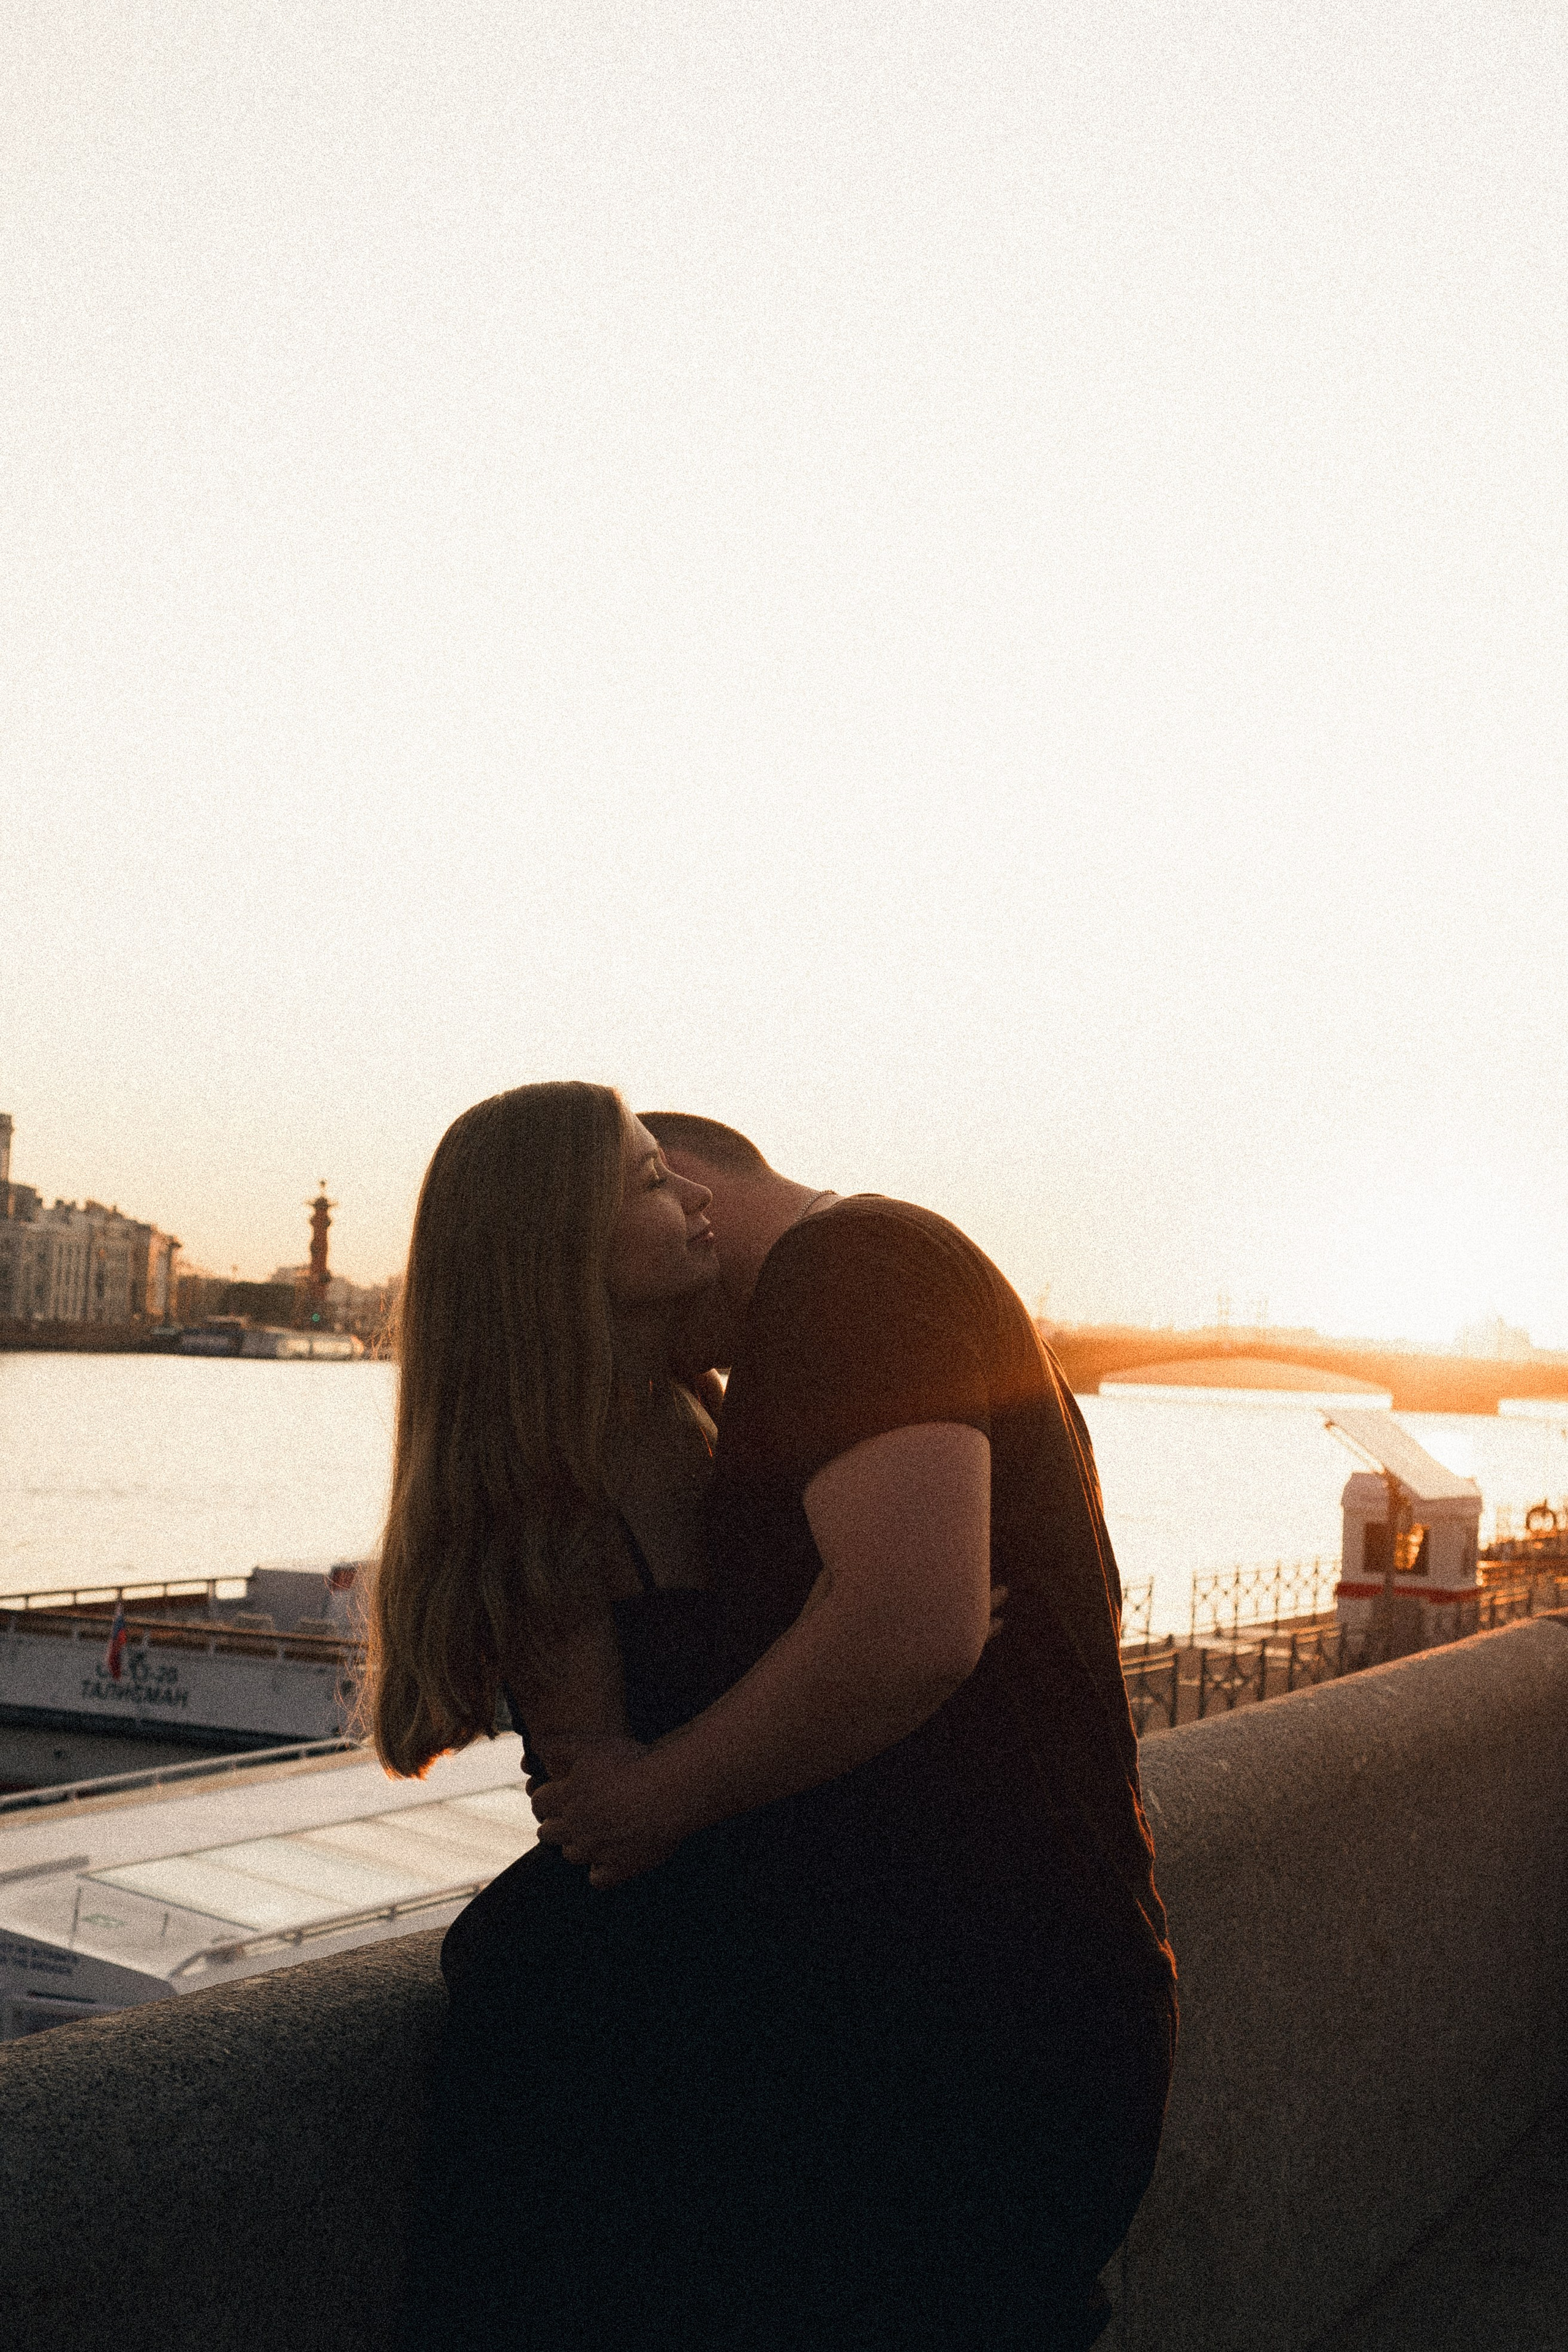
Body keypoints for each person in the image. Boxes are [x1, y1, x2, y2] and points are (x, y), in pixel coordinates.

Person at [534, 1114, 1178, 2350]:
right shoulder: (876, 1284)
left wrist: (653, 1796)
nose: (677, 1358)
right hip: (996, 2010)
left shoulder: (849, 1274)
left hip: (978, 2029)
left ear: (696, 1195)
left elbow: (910, 1626)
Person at [377, 1081, 747, 2352]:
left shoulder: (692, 1412)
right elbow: (608, 1807)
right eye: (649, 1181)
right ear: (557, 1245)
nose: (695, 1196)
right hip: (609, 2031)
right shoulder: (557, 1494)